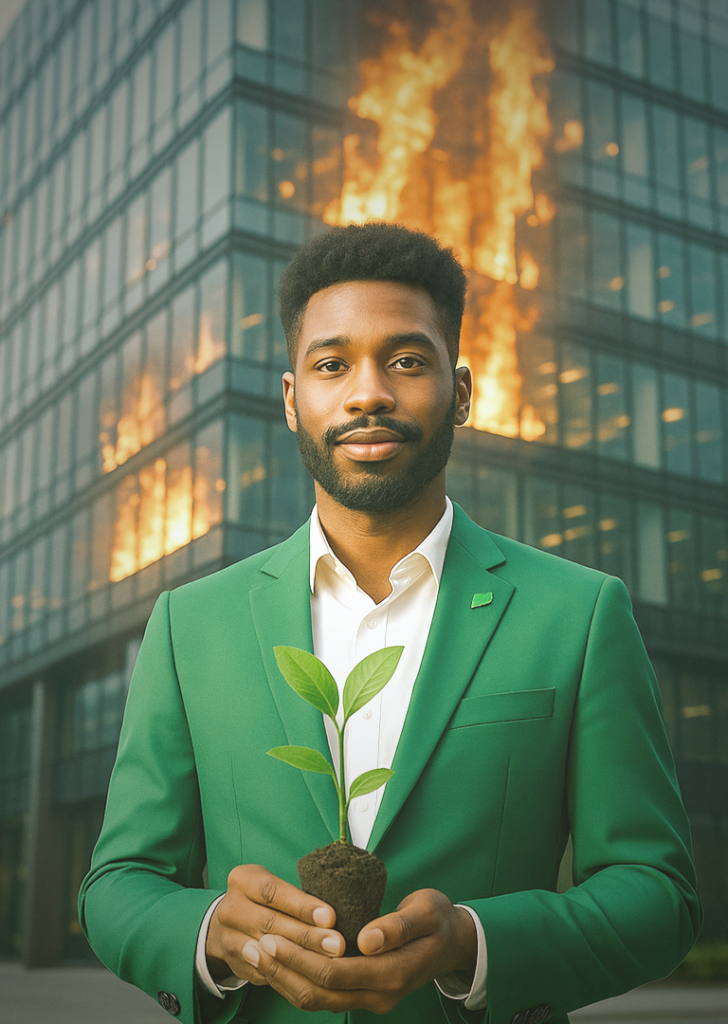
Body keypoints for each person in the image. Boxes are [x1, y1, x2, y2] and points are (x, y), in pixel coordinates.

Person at [79, 223, 700, 1024]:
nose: (367, 391)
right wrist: (209, 934)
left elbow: (657, 891)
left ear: (464, 392)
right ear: (291, 399)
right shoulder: (188, 624)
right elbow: (119, 881)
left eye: (405, 361)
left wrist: (474, 942)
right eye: (331, 364)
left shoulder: (579, 614)